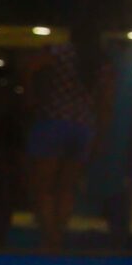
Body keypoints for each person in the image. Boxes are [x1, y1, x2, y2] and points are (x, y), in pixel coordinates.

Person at [22, 40, 109, 252]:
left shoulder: (59, 51)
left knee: (44, 187)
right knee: (67, 188)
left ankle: (48, 237)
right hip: (83, 126)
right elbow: (106, 102)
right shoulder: (102, 60)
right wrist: (99, 136)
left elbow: (30, 66)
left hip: (53, 120)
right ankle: (58, 236)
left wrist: (30, 94)